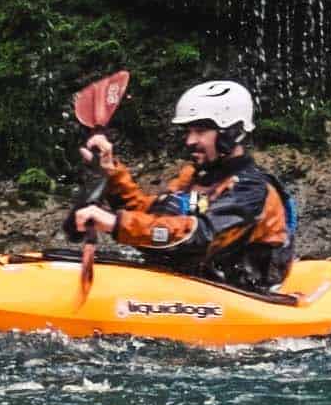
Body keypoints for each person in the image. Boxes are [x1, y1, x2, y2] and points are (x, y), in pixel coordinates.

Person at [70, 80, 297, 292]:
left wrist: (115, 222)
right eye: (189, 131)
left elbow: (200, 236)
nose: (189, 141)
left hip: (244, 293)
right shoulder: (195, 176)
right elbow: (151, 215)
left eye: (200, 131)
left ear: (232, 132)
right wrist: (112, 172)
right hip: (197, 282)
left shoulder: (251, 189)